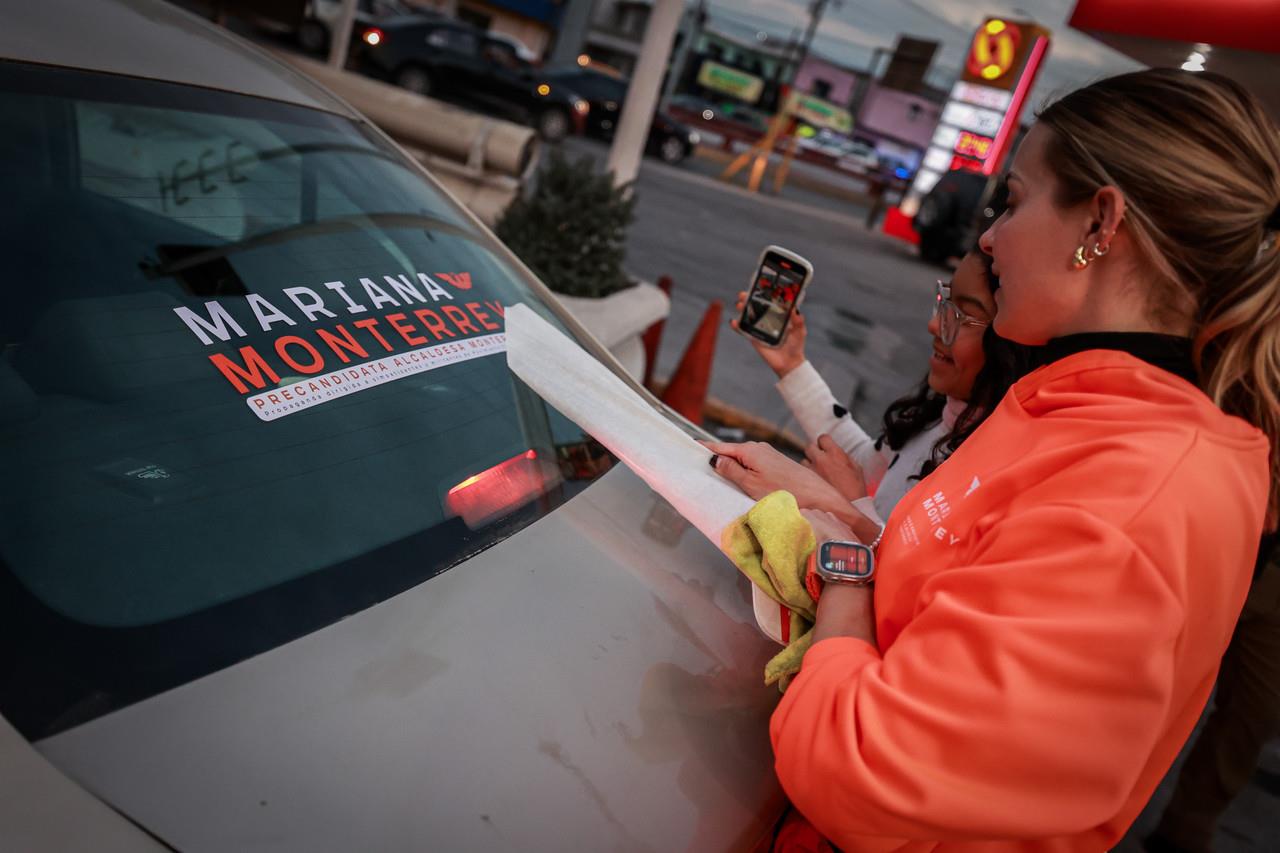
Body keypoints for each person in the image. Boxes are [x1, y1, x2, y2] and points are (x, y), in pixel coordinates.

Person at [707, 68, 1280, 851]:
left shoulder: (1136, 489)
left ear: (1101, 223)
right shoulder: (1076, 409)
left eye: (1013, 200)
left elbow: (864, 770)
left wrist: (845, 566)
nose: (986, 237)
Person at [730, 248, 1034, 529]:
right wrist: (792, 364)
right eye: (945, 301)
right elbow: (863, 464)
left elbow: (908, 570)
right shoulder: (939, 418)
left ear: (1014, 346)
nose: (934, 325)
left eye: (963, 316)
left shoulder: (992, 473)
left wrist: (846, 504)